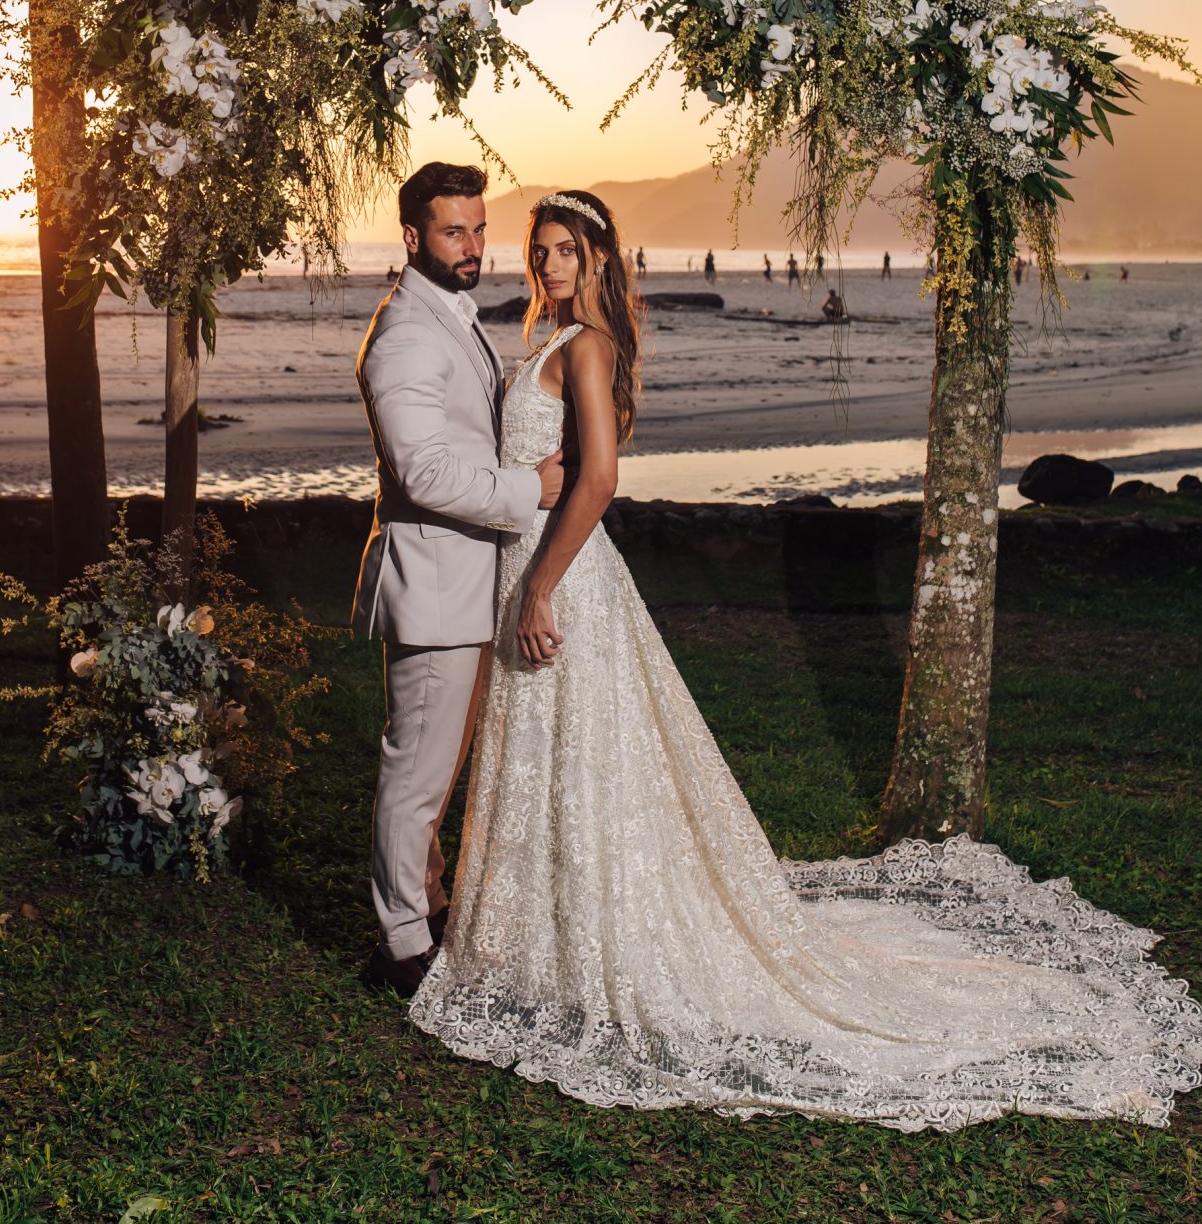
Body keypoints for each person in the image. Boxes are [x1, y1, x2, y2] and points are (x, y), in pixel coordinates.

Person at [408, 188, 1202, 1127]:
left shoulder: (587, 345)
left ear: (597, 262)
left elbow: (601, 481)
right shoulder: (544, 338)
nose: (546, 267)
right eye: (538, 252)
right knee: (544, 760)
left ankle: (587, 935)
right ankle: (530, 934)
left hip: (560, 579)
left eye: (564, 253)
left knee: (581, 758)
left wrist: (539, 586)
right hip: (525, 569)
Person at [351, 162, 565, 997]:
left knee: (435, 772)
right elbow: (423, 473)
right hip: (435, 586)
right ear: (412, 237)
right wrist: (528, 490)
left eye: (478, 229)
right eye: (453, 231)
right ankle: (401, 945)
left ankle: (428, 906)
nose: (473, 247)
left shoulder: (448, 316)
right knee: (415, 773)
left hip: (464, 581)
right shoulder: (405, 333)